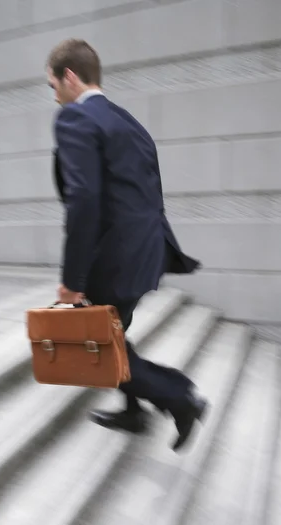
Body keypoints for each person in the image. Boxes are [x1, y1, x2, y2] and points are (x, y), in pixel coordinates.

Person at [47, 39, 207, 450]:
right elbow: (147, 191)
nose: (54, 95)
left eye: (52, 85)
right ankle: (135, 413)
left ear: (69, 76)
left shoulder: (74, 120)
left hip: (113, 257)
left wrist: (73, 280)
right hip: (145, 251)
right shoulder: (129, 121)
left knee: (100, 348)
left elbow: (84, 202)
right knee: (114, 335)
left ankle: (180, 397)